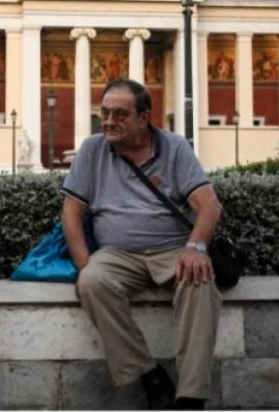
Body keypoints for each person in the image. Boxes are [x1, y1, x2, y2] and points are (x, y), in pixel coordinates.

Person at [62, 79, 224, 410]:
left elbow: (209, 206)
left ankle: (191, 397)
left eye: (120, 114)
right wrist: (84, 265)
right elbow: (71, 212)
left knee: (201, 282)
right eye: (104, 112)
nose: (108, 121)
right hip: (117, 254)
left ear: (144, 118)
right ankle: (149, 376)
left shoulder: (175, 147)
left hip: (174, 250)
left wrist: (195, 248)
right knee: (92, 282)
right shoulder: (93, 149)